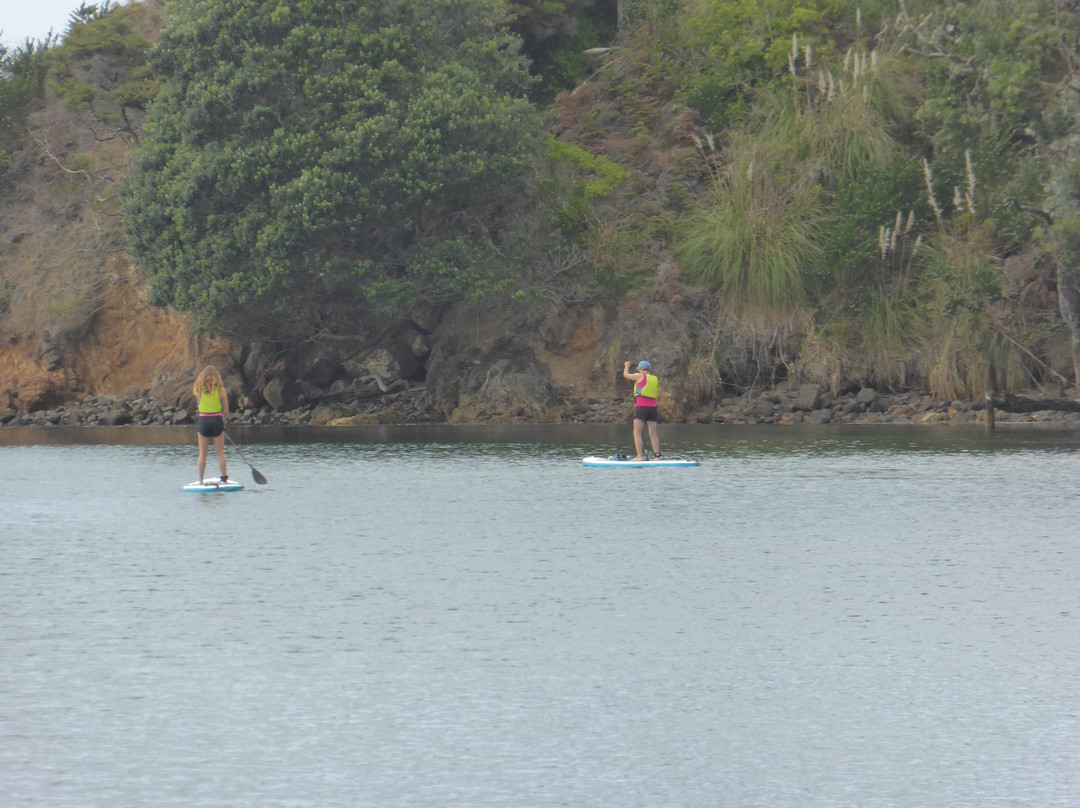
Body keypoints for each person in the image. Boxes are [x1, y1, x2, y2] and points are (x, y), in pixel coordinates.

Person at [193, 365, 229, 484]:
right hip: (217, 420)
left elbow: (199, 403)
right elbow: (226, 410)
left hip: (203, 421)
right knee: (220, 453)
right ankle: (224, 478)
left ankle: (200, 481)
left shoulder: (198, 389)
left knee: (202, 453)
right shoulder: (221, 390)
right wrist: (224, 422)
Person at [622, 359, 660, 461]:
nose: (638, 371)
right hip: (653, 408)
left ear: (642, 369)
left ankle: (639, 456)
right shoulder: (654, 378)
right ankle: (657, 457)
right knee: (653, 433)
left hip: (642, 408)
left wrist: (626, 366)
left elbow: (626, 375)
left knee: (637, 432)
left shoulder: (640, 375)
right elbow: (647, 393)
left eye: (639, 369)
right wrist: (637, 403)